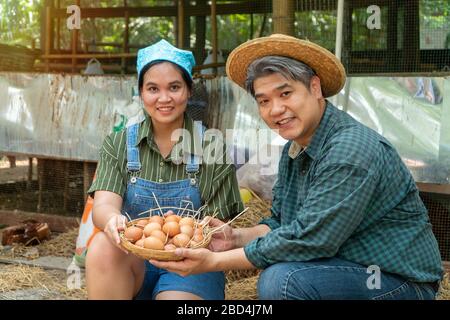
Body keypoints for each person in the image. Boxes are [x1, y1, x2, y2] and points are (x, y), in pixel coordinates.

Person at [150, 34, 444, 300]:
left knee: (284, 281)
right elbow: (281, 223)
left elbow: (310, 239)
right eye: (264, 101)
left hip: (395, 281)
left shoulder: (349, 149)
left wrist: (213, 263)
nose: (275, 109)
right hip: (345, 266)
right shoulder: (296, 149)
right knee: (282, 272)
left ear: (314, 87)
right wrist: (234, 238)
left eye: (286, 94)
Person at [85, 39, 244, 300]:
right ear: (141, 93)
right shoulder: (119, 143)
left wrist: (186, 228)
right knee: (103, 245)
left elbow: (220, 226)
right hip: (132, 259)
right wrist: (112, 220)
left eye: (174, 87)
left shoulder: (211, 146)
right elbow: (103, 206)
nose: (164, 98)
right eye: (152, 88)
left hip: (192, 265)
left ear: (189, 90)